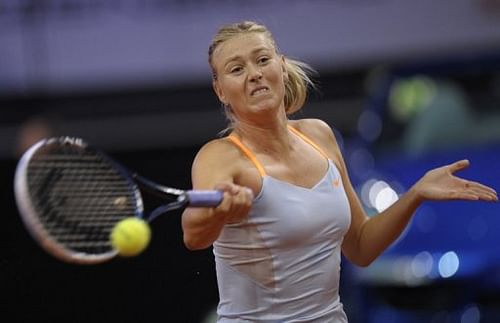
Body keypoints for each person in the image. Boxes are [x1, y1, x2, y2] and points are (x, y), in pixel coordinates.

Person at [181, 21, 498, 322]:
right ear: (220, 90)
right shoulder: (219, 156)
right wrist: (218, 212)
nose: (254, 74)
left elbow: (360, 246)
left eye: (262, 60)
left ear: (280, 64)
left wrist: (417, 194)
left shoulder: (320, 136)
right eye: (237, 69)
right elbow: (194, 233)